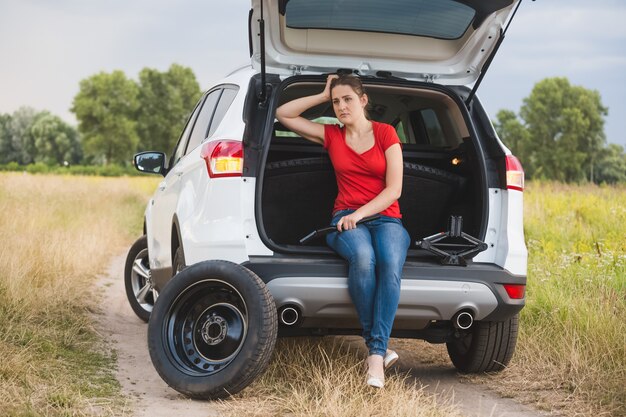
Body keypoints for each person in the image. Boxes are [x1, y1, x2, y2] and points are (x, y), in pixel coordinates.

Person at [276, 74, 411, 388]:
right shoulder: (332, 135)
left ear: (363, 100)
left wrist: (361, 214)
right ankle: (377, 353)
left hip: (386, 218)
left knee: (390, 263)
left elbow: (395, 190)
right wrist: (322, 95)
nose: (340, 106)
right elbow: (283, 114)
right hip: (343, 219)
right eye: (336, 101)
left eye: (347, 99)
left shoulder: (386, 133)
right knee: (363, 259)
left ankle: (374, 352)